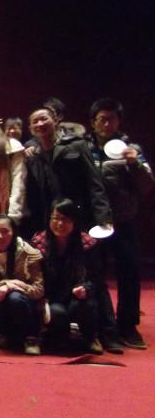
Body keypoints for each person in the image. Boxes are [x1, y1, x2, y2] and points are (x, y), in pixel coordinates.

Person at [87, 97, 153, 349]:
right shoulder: (84, 147)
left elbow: (146, 186)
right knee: (94, 273)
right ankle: (100, 325)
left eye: (112, 119)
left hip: (123, 221)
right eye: (102, 119)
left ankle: (127, 326)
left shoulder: (131, 149)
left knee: (129, 272)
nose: (107, 124)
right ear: (93, 122)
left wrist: (135, 165)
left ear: (119, 122)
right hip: (94, 222)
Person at [23, 106, 112, 237]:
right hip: (51, 221)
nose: (40, 124)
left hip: (79, 215)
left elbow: (94, 183)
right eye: (35, 121)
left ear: (55, 120)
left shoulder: (76, 145)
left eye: (44, 119)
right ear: (30, 128)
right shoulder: (33, 156)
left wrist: (103, 218)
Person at [31, 198, 102, 354]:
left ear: (74, 221)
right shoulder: (38, 244)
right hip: (52, 297)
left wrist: (86, 288)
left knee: (85, 305)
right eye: (55, 218)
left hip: (77, 296)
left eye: (66, 219)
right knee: (57, 313)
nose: (60, 224)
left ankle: (91, 338)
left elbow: (96, 276)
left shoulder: (87, 243)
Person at [0, 215, 44, 355]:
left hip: (27, 304)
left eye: (5, 232)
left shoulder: (29, 253)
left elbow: (39, 290)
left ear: (14, 232)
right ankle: (0, 336)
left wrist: (10, 287)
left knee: (14, 297)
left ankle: (31, 339)